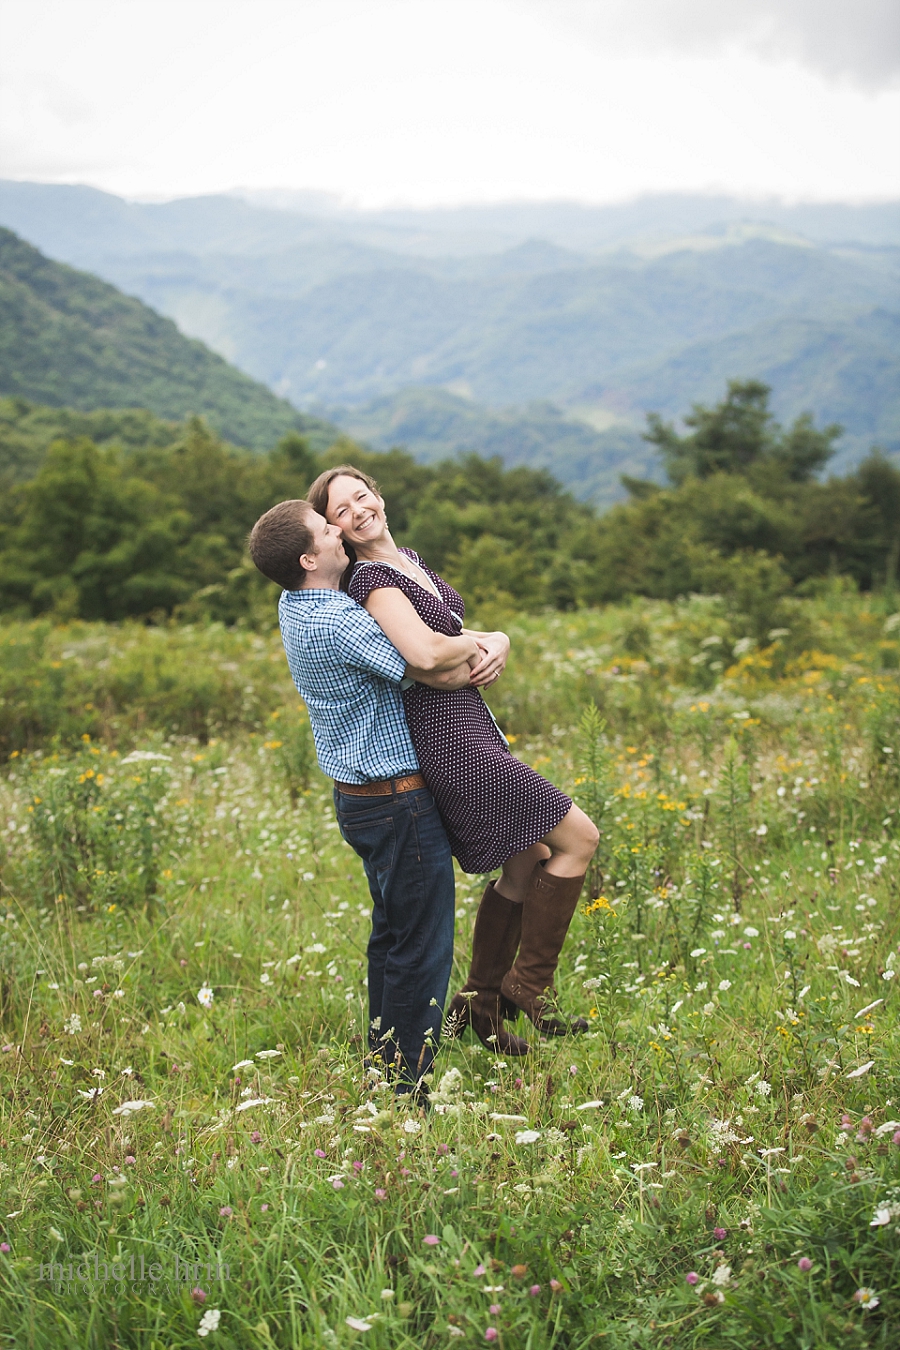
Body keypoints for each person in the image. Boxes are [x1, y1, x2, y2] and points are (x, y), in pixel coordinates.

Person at [307, 466, 599, 1057]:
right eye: (342, 509)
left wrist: (501, 639)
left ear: (379, 496)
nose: (359, 510)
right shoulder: (371, 582)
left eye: (362, 495)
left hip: (474, 729)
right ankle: (529, 986)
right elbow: (427, 662)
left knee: (527, 861)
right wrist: (479, 646)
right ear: (333, 530)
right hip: (451, 742)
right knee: (579, 841)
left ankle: (480, 1007)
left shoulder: (406, 559)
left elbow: (453, 630)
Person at [248, 498, 478, 1095]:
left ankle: (384, 1066)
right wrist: (483, 640)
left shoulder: (294, 603)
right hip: (397, 799)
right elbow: (430, 666)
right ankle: (406, 1088)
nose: (338, 529)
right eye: (326, 528)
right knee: (422, 946)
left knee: (392, 936)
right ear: (309, 557)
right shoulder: (337, 620)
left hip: (361, 800)